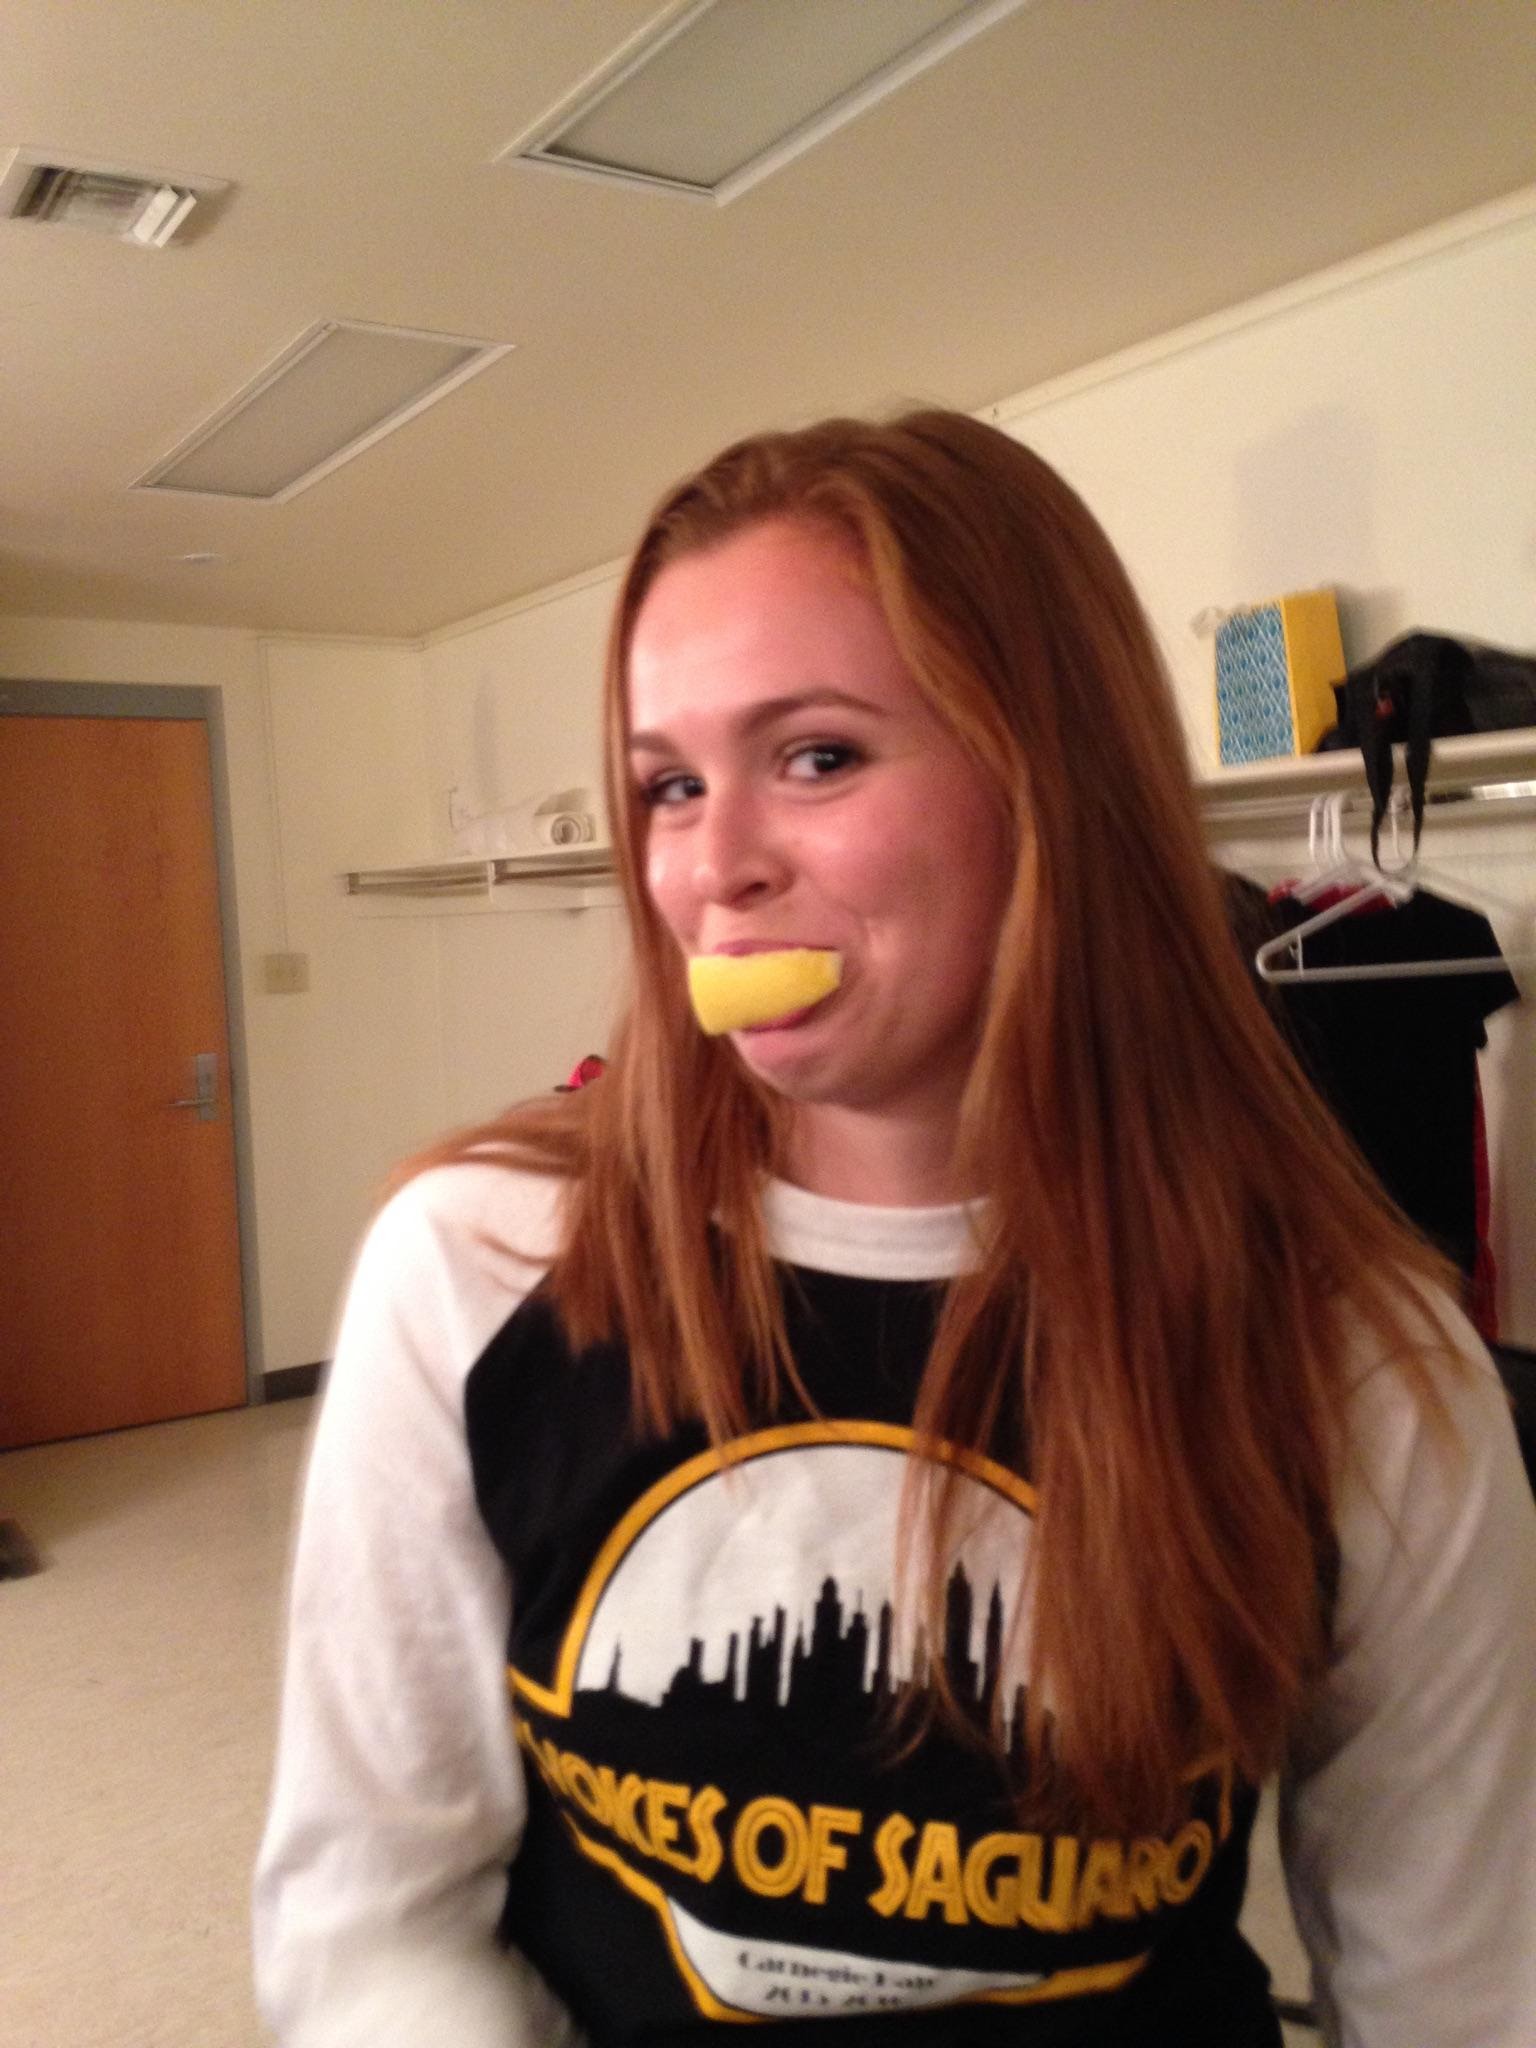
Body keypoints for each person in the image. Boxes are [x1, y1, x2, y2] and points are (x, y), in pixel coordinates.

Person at [253, 411, 1536, 2047]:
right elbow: (368, 1927)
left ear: (1053, 785)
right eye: (668, 786)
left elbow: (1463, 1988)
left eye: (818, 758)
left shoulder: (1363, 1360)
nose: (711, 869)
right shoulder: (480, 1260)